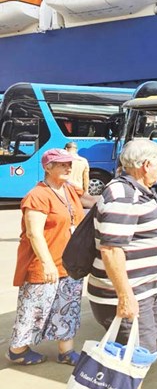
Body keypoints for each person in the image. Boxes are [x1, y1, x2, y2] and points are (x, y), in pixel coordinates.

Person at [87, 139, 157, 374]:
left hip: (146, 289)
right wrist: (125, 297)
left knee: (139, 355)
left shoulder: (139, 190)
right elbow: (111, 249)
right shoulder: (123, 195)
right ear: (146, 165)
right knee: (133, 364)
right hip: (130, 293)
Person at [7, 149, 84, 366]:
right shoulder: (38, 195)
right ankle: (17, 350)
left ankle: (66, 351)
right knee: (34, 310)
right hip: (44, 265)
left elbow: (90, 200)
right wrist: (47, 263)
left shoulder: (68, 190)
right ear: (47, 167)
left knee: (67, 307)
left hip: (69, 263)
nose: (68, 167)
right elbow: (34, 233)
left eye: (70, 163)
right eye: (62, 164)